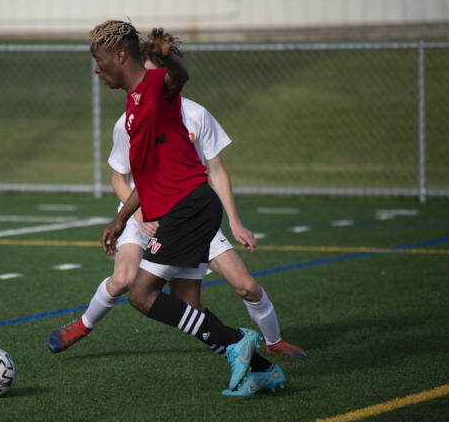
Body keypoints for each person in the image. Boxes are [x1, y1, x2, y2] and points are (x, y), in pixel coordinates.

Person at [54, 20, 285, 395]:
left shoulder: (153, 89)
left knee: (141, 296)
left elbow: (178, 77)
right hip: (190, 207)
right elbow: (145, 181)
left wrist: (169, 59)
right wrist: (121, 218)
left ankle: (237, 341)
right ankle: (262, 369)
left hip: (188, 208)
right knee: (187, 306)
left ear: (120, 56)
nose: (96, 69)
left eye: (99, 60)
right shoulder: (131, 108)